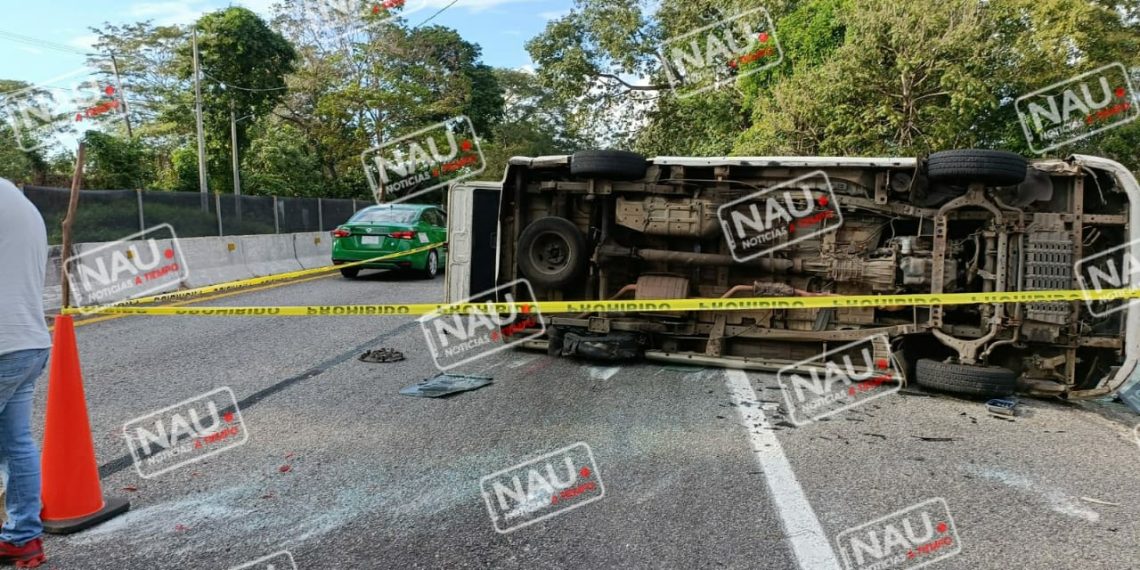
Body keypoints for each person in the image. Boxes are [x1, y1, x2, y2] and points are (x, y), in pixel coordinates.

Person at [0, 178, 51, 568]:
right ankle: (22, 539)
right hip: (29, 341)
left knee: (14, 444)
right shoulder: (16, 197)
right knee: (15, 444)